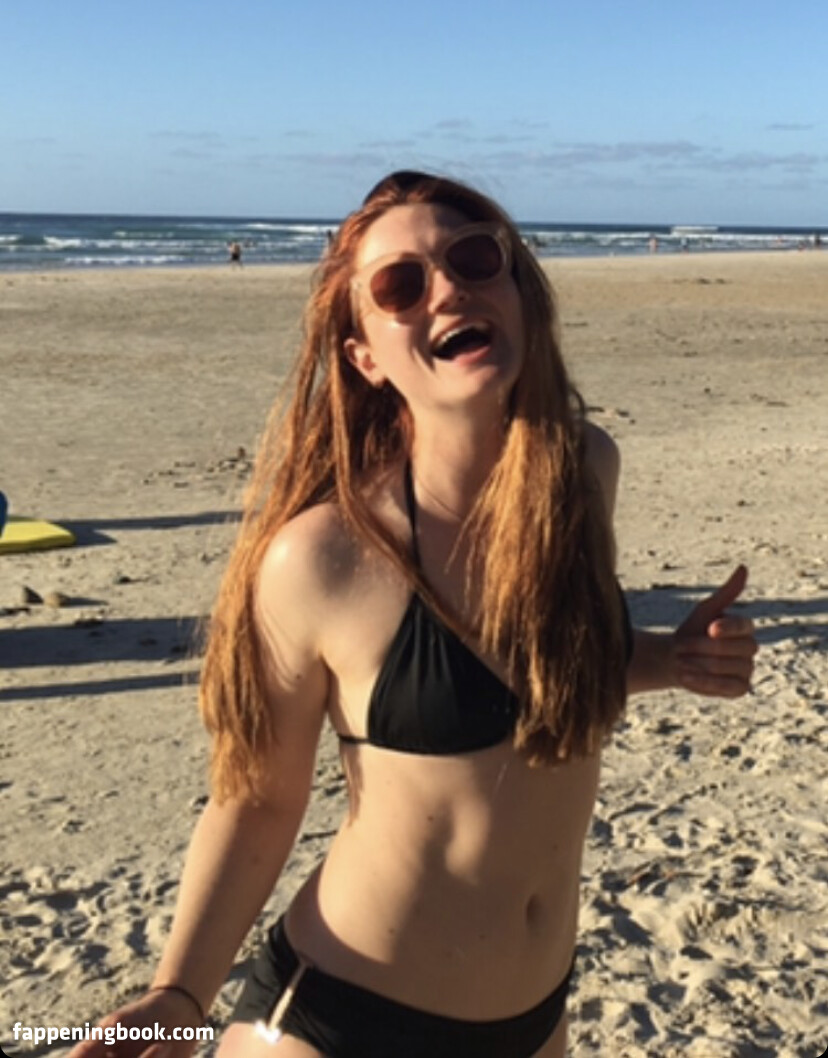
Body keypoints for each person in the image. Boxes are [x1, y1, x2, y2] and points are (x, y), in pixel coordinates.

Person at [69, 171, 757, 1058]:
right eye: (401, 285)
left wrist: (668, 659)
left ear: (518, 292)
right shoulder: (323, 558)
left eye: (474, 259)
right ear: (365, 356)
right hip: (346, 1020)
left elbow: (540, 670)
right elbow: (258, 800)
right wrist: (178, 994)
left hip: (537, 1017)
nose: (448, 290)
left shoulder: (584, 475)